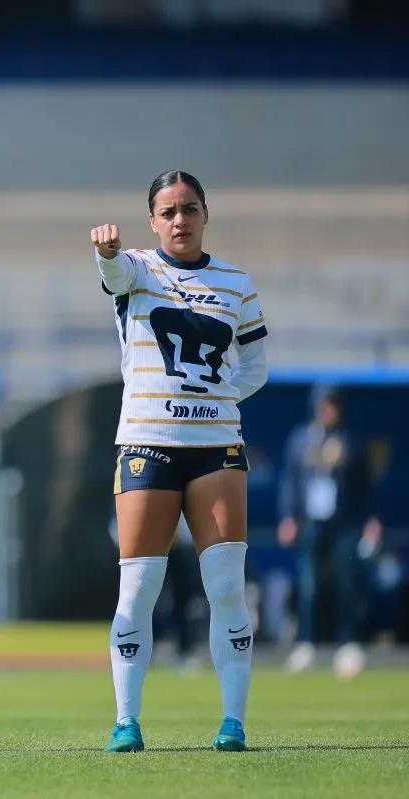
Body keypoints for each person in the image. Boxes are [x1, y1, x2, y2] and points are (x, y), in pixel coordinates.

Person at [92, 170, 269, 753]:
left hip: (216, 448)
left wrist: (213, 400)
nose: (179, 220)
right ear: (152, 220)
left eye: (189, 209)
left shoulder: (236, 283)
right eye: (167, 211)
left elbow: (255, 366)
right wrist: (107, 254)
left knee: (224, 586)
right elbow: (114, 276)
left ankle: (234, 723)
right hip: (146, 444)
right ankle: (126, 721)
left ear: (205, 213)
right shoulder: (137, 267)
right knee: (139, 587)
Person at [278, 384, 382, 679]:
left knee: (344, 584)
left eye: (334, 405)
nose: (329, 411)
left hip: (344, 524)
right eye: (325, 405)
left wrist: (372, 519)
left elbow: (365, 487)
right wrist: (289, 516)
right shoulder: (301, 439)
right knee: (309, 586)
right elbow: (291, 481)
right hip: (311, 522)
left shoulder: (351, 440)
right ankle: (307, 644)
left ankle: (347, 643)